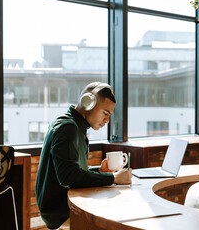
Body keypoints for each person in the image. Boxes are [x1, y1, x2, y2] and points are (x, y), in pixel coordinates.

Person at [35, 82, 132, 229]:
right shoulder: (68, 128)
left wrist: (99, 171)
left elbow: (72, 170)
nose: (107, 120)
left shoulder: (75, 127)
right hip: (61, 211)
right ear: (88, 103)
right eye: (105, 113)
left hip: (64, 204)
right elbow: (68, 177)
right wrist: (113, 178)